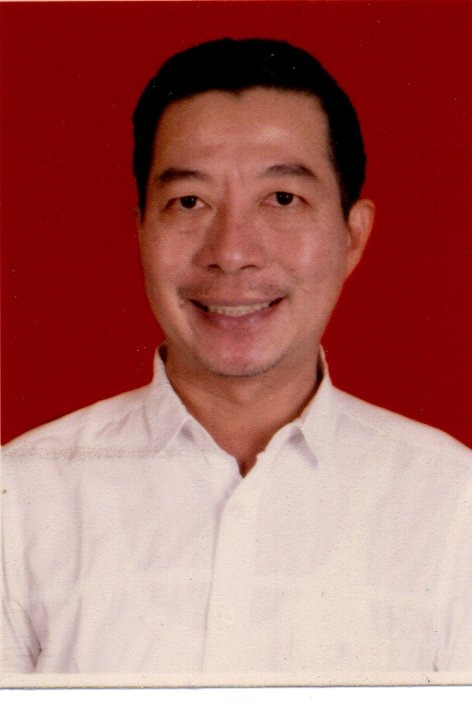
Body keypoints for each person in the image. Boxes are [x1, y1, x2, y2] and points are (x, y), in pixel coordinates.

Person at [2, 38, 471, 678]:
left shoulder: (452, 505)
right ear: (141, 229)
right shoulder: (20, 500)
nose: (231, 252)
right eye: (189, 202)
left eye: (282, 199)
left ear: (353, 235)